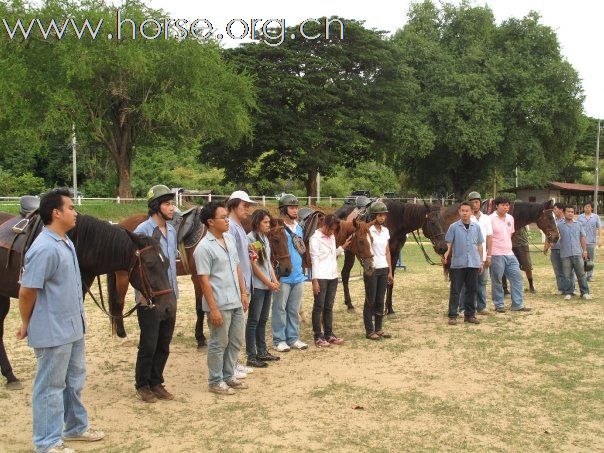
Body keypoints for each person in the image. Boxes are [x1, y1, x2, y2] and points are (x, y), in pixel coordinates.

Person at [16, 188, 104, 453]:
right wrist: (25, 323)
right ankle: (47, 442)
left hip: (72, 327)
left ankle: (76, 427)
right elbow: (27, 291)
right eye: (70, 208)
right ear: (56, 213)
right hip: (53, 330)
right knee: (50, 387)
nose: (75, 213)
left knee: (74, 380)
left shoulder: (65, 241)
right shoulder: (43, 248)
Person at [194, 202, 249, 395]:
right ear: (210, 222)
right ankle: (215, 380)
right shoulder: (203, 248)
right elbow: (204, 281)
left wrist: (243, 292)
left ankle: (228, 375)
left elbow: (237, 266)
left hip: (235, 299)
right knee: (218, 343)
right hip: (219, 303)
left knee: (235, 340)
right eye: (223, 217)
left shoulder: (229, 239)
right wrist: (213, 309)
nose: (227, 220)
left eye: (227, 216)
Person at [133, 185, 179, 403]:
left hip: (170, 295)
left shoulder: (171, 230)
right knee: (149, 343)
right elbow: (137, 267)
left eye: (172, 203)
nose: (172, 208)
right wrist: (143, 294)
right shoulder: (142, 231)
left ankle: (156, 381)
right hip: (150, 299)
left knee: (164, 342)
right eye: (168, 204)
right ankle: (142, 384)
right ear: (155, 206)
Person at [272, 194, 308, 352]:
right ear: (283, 209)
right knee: (280, 309)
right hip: (283, 276)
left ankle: (293, 338)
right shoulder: (278, 229)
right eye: (292, 207)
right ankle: (279, 339)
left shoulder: (299, 228)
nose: (295, 210)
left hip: (298, 275)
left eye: (296, 207)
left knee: (293, 309)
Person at [226, 190, 257, 376]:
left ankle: (234, 362)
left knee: (238, 327)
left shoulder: (238, 227)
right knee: (234, 328)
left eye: (248, 206)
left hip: (244, 282)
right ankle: (230, 365)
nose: (247, 209)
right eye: (244, 206)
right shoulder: (230, 226)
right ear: (233, 205)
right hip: (239, 285)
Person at [309, 214, 352, 347]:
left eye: (334, 230)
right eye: (330, 229)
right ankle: (318, 336)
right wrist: (314, 280)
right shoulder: (315, 238)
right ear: (324, 225)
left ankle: (329, 333)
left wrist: (343, 247)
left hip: (333, 276)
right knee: (319, 306)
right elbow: (314, 260)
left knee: (329, 306)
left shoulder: (332, 236)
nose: (332, 232)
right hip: (321, 276)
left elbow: (332, 254)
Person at [245, 209, 281, 366]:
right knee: (254, 320)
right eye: (265, 222)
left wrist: (274, 279)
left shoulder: (265, 239)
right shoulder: (251, 239)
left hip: (267, 286)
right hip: (259, 286)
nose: (268, 225)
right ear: (257, 223)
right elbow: (254, 266)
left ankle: (262, 351)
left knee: (263, 319)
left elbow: (268, 263)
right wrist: (268, 283)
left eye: (269, 222)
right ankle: (251, 355)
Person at [444, 202, 484, 325]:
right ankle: (452, 316)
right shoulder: (453, 227)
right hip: (457, 264)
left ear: (472, 212)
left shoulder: (476, 227)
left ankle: (470, 315)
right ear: (459, 212)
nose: (464, 213)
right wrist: (445, 254)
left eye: (467, 211)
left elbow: (479, 245)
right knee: (455, 290)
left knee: (472, 290)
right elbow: (449, 244)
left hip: (473, 264)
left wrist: (481, 262)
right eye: (462, 210)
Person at [489, 196, 530, 313]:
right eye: (503, 205)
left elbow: (510, 234)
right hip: (496, 254)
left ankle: (518, 304)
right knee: (497, 280)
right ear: (496, 206)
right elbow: (488, 237)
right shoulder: (490, 219)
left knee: (517, 278)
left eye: (507, 205)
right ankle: (499, 305)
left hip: (509, 253)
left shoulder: (510, 218)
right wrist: (489, 254)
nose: (505, 207)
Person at [364, 201, 393, 340]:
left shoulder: (386, 231)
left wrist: (390, 271)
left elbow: (387, 252)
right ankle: (369, 330)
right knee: (371, 299)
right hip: (372, 269)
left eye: (384, 215)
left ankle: (379, 328)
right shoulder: (368, 230)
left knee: (380, 299)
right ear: (373, 215)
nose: (382, 218)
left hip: (383, 267)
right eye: (379, 215)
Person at [461, 191, 492, 315]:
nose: (475, 204)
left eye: (477, 202)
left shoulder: (486, 218)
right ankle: (463, 308)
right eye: (472, 202)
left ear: (480, 203)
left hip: (482, 257)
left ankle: (481, 306)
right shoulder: (466, 218)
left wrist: (489, 255)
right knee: (465, 284)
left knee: (482, 283)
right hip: (468, 257)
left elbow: (489, 237)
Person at [558, 205, 591, 300]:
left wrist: (584, 250)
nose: (570, 213)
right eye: (568, 211)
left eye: (572, 212)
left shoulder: (578, 224)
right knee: (567, 275)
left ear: (574, 213)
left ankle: (584, 292)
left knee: (581, 274)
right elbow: (555, 237)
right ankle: (569, 292)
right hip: (565, 254)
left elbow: (582, 237)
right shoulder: (559, 225)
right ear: (564, 213)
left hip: (577, 253)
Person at [544, 202, 574, 294]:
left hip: (565, 249)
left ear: (561, 210)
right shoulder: (553, 221)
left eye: (555, 209)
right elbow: (548, 234)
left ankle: (570, 289)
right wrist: (547, 245)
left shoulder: (567, 221)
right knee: (558, 270)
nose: (554, 211)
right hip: (554, 249)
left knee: (568, 271)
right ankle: (561, 288)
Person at [577, 202, 601, 281]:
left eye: (588, 206)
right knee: (580, 259)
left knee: (591, 260)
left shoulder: (596, 217)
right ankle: (581, 275)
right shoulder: (580, 217)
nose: (587, 208)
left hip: (591, 242)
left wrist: (599, 239)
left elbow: (599, 228)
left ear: (592, 208)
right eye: (585, 206)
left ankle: (589, 276)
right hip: (581, 242)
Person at [511, 226, 536, 293]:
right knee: (514, 268)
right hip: (511, 245)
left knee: (527, 266)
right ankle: (516, 287)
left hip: (523, 244)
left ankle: (531, 285)